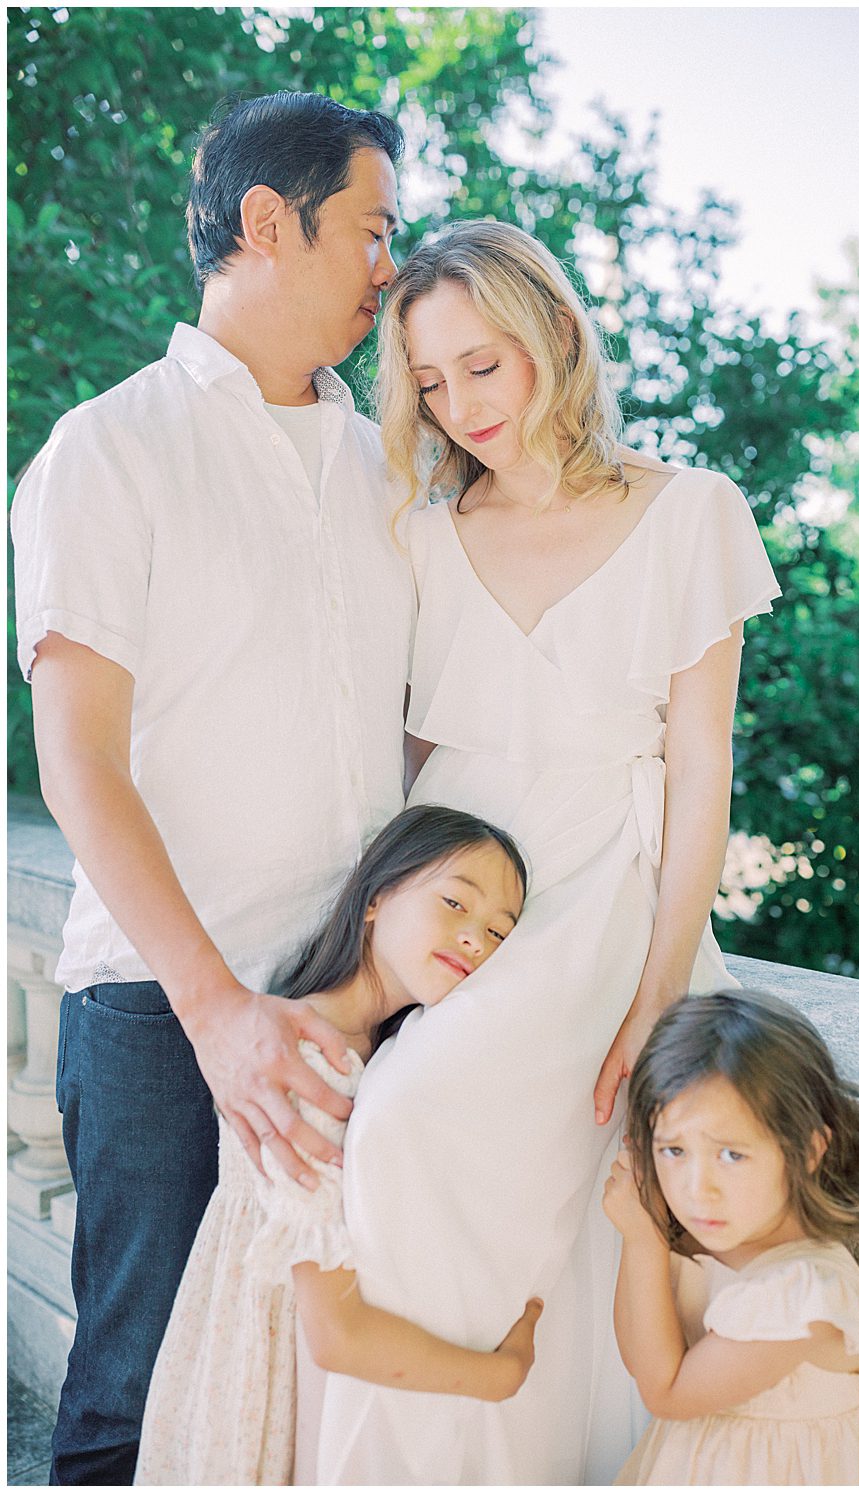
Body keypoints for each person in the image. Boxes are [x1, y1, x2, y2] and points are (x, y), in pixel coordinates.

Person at [299, 219, 783, 1484]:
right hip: (457, 893)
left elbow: (701, 775)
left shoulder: (691, 514)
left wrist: (658, 984)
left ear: (559, 336)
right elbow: (404, 765)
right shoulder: (424, 528)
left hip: (601, 897)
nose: (460, 406)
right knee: (403, 1141)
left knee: (496, 1165)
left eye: (484, 364)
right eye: (430, 380)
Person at [10, 92, 411, 1485]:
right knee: (134, 1400)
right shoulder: (105, 450)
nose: (390, 268)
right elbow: (79, 760)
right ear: (264, 221)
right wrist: (217, 1012)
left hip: (361, 1015)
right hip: (164, 1013)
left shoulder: (389, 469)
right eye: (372, 228)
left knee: (306, 1416)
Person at [135, 804, 541, 1486]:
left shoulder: (370, 1050)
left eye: (499, 932)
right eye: (455, 903)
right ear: (377, 895)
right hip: (268, 1384)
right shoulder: (311, 1063)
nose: (475, 938)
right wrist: (501, 1372)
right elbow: (338, 1334)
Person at [605, 989, 859, 1485]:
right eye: (673, 1150)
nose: (698, 1190)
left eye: (731, 1155)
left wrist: (642, 1239)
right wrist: (646, 1233)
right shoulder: (713, 1241)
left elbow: (665, 1393)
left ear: (806, 1149)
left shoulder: (800, 1293)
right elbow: (639, 1355)